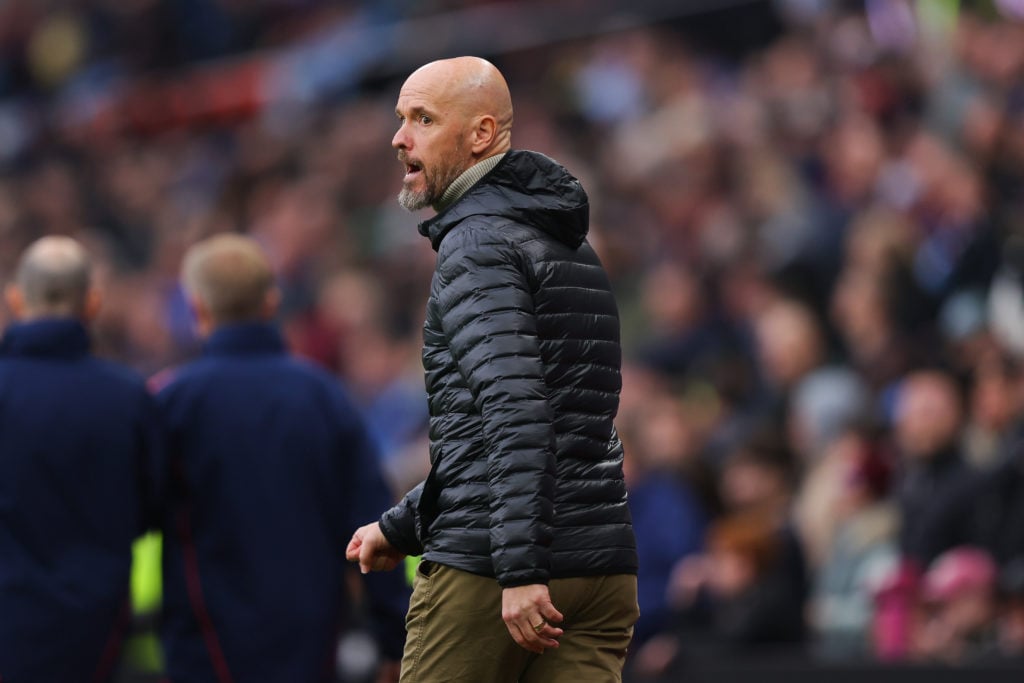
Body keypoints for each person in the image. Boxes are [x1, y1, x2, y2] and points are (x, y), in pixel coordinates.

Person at [346, 56, 639, 683]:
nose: (400, 138)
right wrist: (401, 527)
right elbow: (525, 430)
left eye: (422, 119)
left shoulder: (476, 244)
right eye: (401, 119)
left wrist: (523, 568)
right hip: (599, 566)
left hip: (499, 573)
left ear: (482, 136)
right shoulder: (571, 245)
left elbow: (515, 414)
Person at [155, 234, 407, 683]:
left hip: (205, 638)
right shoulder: (323, 397)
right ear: (271, 302)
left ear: (198, 309)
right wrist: (395, 635)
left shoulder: (171, 403)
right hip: (308, 635)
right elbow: (376, 523)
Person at [0, 236, 162, 682]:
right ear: (92, 303)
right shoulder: (127, 396)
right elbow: (155, 504)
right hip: (99, 628)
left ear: (15, 300)